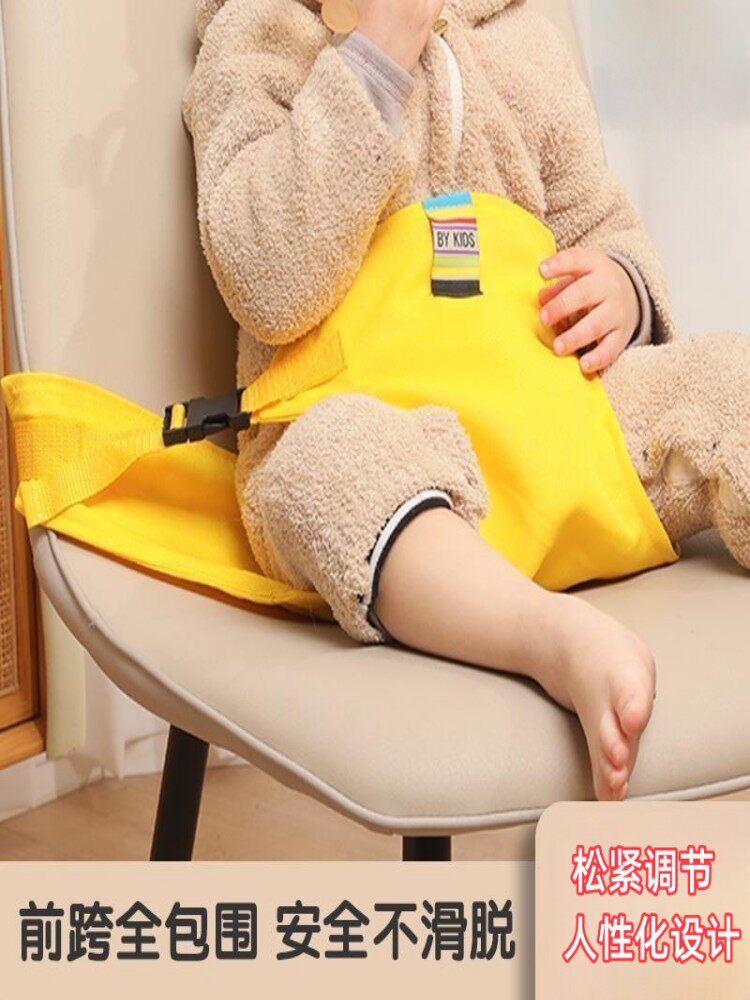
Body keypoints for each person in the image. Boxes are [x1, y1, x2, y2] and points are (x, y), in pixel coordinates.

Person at [183, 0, 677, 802]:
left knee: (726, 383)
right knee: (321, 470)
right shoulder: (260, 38)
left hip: (549, 417)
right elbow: (265, 279)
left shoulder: (522, 42)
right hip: (374, 432)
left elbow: (602, 221)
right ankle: (549, 639)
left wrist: (623, 287)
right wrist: (373, 62)